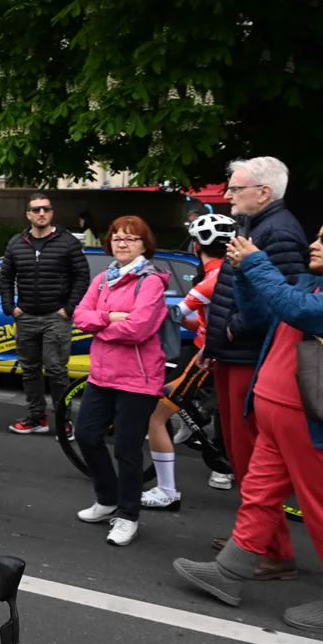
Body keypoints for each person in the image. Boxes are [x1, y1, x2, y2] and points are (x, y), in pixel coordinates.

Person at [173, 213, 323, 633]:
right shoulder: (318, 280)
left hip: (319, 426)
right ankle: (229, 573)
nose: (314, 244)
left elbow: (296, 309)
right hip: (280, 416)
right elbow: (270, 312)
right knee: (258, 495)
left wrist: (255, 264)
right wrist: (246, 279)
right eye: (316, 235)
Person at [203, 157, 307, 567]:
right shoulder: (259, 225)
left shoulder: (278, 231)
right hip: (238, 353)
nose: (228, 194)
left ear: (263, 192)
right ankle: (253, 540)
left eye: (236, 188)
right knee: (241, 454)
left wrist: (234, 329)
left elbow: (284, 298)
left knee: (252, 459)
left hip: (252, 355)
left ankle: (270, 551)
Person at [71, 216, 169, 546]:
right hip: (102, 374)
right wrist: (109, 318)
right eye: (116, 237)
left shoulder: (151, 282)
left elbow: (139, 328)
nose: (122, 243)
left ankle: (128, 515)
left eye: (130, 238)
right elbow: (79, 317)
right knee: (85, 435)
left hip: (138, 379)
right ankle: (108, 498)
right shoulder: (102, 280)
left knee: (127, 450)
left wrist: (100, 327)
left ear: (144, 245)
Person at [142, 214, 236, 511]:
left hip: (207, 359)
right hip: (214, 353)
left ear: (196, 246)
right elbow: (205, 323)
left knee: (155, 416)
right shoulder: (231, 272)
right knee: (177, 389)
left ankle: (167, 490)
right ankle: (193, 419)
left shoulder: (210, 280)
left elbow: (173, 316)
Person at [0, 193, 91, 434]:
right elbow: (6, 277)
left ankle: (63, 420)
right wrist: (10, 308)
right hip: (26, 316)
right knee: (29, 370)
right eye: (36, 210)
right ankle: (36, 417)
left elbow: (82, 277)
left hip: (55, 317)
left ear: (52, 213)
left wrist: (68, 309)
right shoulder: (16, 243)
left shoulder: (67, 241)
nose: (41, 213)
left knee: (56, 370)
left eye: (45, 209)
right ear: (28, 214)